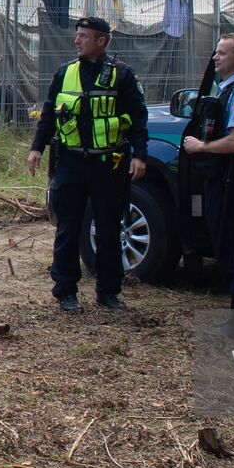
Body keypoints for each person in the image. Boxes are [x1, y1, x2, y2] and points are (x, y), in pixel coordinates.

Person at [27, 16, 147, 313]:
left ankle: (108, 292)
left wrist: (140, 155)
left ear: (101, 41)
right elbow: (49, 113)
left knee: (108, 229)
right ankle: (65, 290)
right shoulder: (64, 73)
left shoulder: (122, 76)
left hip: (109, 164)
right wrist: (36, 148)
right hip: (71, 162)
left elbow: (139, 119)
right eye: (77, 35)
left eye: (83, 36)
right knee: (68, 227)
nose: (77, 41)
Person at [182, 33, 234, 323]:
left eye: (222, 53)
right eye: (216, 52)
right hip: (221, 180)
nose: (216, 57)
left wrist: (202, 147)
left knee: (233, 247)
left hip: (231, 182)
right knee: (226, 245)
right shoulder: (227, 91)